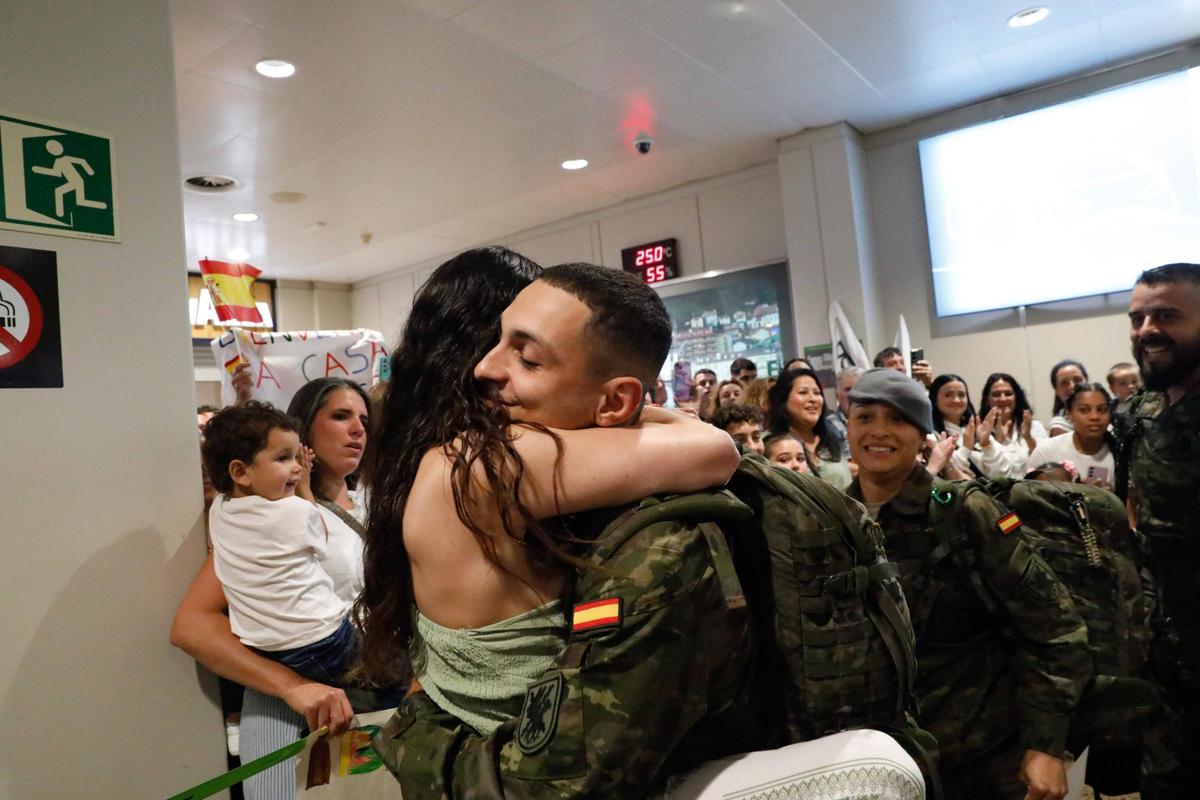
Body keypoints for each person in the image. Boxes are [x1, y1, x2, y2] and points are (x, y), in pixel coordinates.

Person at [369, 262, 764, 797]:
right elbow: (714, 449)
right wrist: (623, 413)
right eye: (497, 341)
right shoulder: (480, 467)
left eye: (526, 357)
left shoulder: (460, 459)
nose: (485, 367)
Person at [845, 369, 1091, 800]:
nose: (879, 432)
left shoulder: (963, 511)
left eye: (898, 419)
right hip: (883, 765)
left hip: (985, 761)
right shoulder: (834, 521)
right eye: (865, 417)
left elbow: (1056, 628)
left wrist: (1045, 744)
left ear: (923, 434)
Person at [171, 377, 382, 800]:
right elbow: (191, 626)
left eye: (363, 418)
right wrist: (292, 686)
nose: (358, 429)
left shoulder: (377, 503)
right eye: (340, 416)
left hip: (370, 701)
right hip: (289, 708)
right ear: (304, 432)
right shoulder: (263, 519)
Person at [200, 401, 368, 690]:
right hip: (324, 639)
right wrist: (304, 486)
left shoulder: (222, 508)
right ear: (240, 472)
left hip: (265, 645)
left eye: (295, 457)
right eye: (283, 458)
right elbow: (321, 538)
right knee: (396, 675)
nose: (296, 467)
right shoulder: (293, 511)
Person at [1119, 262, 1200, 796]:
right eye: (1137, 318)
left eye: (1167, 315)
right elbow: (1131, 510)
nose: (1147, 330)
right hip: (1163, 664)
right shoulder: (1135, 413)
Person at [765, 367, 853, 490]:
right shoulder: (768, 442)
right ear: (783, 400)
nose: (813, 399)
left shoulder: (830, 439)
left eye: (817, 393)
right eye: (803, 392)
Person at [1026, 383, 1115, 490]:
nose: (1094, 417)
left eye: (1102, 409)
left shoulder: (1120, 453)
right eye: (1084, 410)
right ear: (1069, 414)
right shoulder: (1046, 451)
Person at [968, 372, 1047, 478]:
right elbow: (996, 474)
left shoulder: (1035, 427)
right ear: (987, 400)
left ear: (1016, 397)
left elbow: (1046, 463)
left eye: (1008, 393)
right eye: (996, 395)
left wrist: (1028, 438)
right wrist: (992, 443)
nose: (1003, 399)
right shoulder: (978, 433)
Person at [929, 373, 977, 476]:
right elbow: (946, 468)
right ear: (935, 400)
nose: (956, 400)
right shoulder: (931, 434)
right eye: (948, 395)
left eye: (961, 395)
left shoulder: (976, 429)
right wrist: (966, 448)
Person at [1048, 359, 1089, 436]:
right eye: (1064, 383)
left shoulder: (1106, 411)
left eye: (1077, 380)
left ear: (1086, 381)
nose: (1072, 386)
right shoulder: (1060, 426)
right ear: (1057, 390)